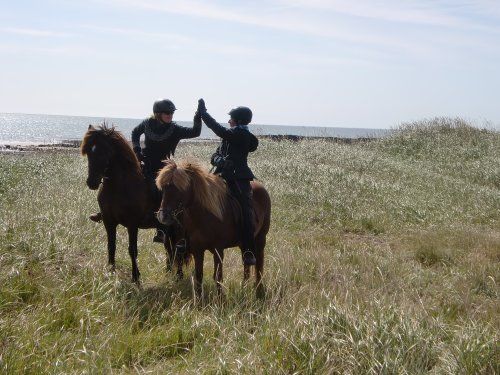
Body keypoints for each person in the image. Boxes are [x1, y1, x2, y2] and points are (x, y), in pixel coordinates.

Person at [90, 98, 201, 244]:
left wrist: (198, 116)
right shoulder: (147, 123)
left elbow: (195, 132)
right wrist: (136, 148)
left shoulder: (175, 129)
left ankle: (161, 228)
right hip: (145, 163)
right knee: (124, 181)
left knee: (161, 191)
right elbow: (135, 132)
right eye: (167, 113)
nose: (170, 115)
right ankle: (107, 212)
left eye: (172, 113)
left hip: (164, 169)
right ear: (157, 114)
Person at [197, 98, 259, 266]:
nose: (229, 120)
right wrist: (220, 161)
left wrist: (204, 114)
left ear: (238, 121)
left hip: (238, 178)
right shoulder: (230, 136)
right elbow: (214, 156)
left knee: (246, 210)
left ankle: (248, 249)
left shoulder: (242, 135)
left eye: (231, 118)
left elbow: (219, 130)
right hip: (220, 176)